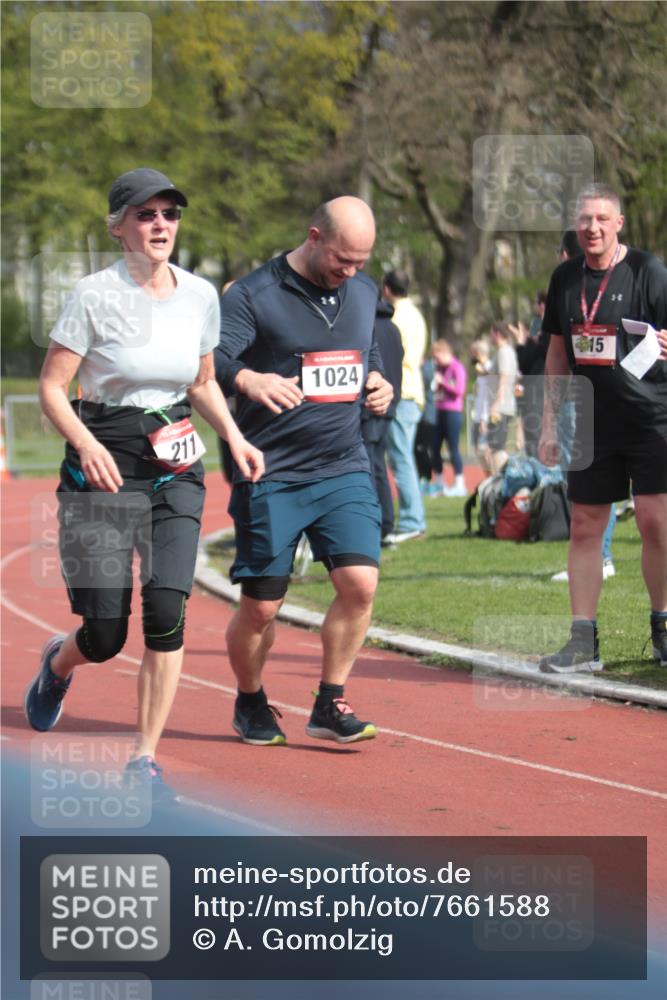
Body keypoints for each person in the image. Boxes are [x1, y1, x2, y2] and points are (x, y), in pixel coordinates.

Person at [24, 167, 264, 798]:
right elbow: (51, 388)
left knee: (167, 613)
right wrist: (85, 442)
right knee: (105, 636)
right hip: (103, 463)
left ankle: (143, 761)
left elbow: (203, 380)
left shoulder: (200, 295)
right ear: (118, 226)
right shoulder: (92, 295)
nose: (161, 225)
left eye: (171, 214)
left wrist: (235, 437)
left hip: (176, 466)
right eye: (146, 214)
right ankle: (59, 662)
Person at [215, 196, 393, 745]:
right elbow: (212, 361)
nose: (351, 272)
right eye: (342, 259)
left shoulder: (363, 292)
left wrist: (382, 384)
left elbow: (369, 355)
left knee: (360, 583)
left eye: (361, 262)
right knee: (263, 607)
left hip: (343, 464)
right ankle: (250, 701)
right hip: (273, 470)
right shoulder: (251, 294)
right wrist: (249, 379)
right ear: (314, 237)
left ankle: (329, 699)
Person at [538, 183, 667, 672]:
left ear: (619, 224)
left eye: (602, 219)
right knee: (585, 527)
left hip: (652, 418)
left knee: (657, 524)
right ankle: (582, 642)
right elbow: (556, 351)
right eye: (584, 219)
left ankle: (663, 627)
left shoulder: (648, 272)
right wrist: (550, 421)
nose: (592, 228)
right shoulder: (565, 278)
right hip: (591, 421)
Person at [547, 230, 616, 582]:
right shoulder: (572, 287)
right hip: (586, 392)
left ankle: (599, 556)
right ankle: (599, 555)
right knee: (591, 475)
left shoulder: (580, 288)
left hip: (586, 394)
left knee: (585, 477)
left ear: (564, 255)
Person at [382, 269, 428, 543]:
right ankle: (414, 517)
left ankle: (412, 519)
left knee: (401, 459)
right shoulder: (417, 315)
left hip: (403, 391)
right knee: (403, 457)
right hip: (414, 391)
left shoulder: (396, 316)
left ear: (387, 288)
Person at [361, 294, 404, 543]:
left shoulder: (366, 326)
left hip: (371, 403)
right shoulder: (394, 329)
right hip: (389, 402)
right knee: (379, 463)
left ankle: (374, 522)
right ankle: (386, 521)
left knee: (368, 465)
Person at [431, 338, 468, 496]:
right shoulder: (440, 369)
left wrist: (443, 383)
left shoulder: (457, 368)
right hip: (439, 410)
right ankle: (439, 482)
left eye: (437, 357)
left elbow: (459, 391)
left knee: (453, 448)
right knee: (434, 447)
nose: (436, 361)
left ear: (445, 353)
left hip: (453, 412)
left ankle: (459, 483)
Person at [485, 322, 518, 474]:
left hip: (502, 406)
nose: (490, 337)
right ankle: (501, 479)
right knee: (494, 447)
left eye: (491, 333)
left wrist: (497, 404)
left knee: (496, 448)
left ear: (497, 334)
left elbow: (504, 377)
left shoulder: (504, 352)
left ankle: (505, 478)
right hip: (506, 405)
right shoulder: (506, 351)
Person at [469, 337, 493, 475]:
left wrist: (485, 419)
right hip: (477, 416)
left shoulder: (489, 369)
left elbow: (489, 397)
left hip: (485, 418)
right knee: (479, 450)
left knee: (485, 450)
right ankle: (488, 478)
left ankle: (495, 478)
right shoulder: (480, 372)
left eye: (473, 353)